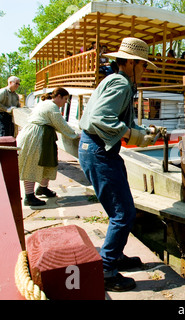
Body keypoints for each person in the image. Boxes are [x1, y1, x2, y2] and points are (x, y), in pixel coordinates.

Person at [78, 37, 165, 292]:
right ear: (129, 62)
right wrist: (134, 135)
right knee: (123, 213)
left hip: (97, 149)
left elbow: (115, 120)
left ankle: (114, 257)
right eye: (143, 65)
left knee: (121, 209)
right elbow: (100, 119)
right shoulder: (121, 83)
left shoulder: (116, 80)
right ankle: (106, 270)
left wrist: (143, 132)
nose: (145, 69)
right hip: (99, 151)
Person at [17, 88, 79, 207]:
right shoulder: (51, 107)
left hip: (44, 135)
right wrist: (75, 135)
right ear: (59, 96)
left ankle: (42, 188)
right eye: (65, 99)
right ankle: (29, 196)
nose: (65, 102)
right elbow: (60, 124)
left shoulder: (46, 104)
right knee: (32, 163)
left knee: (48, 162)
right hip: (36, 136)